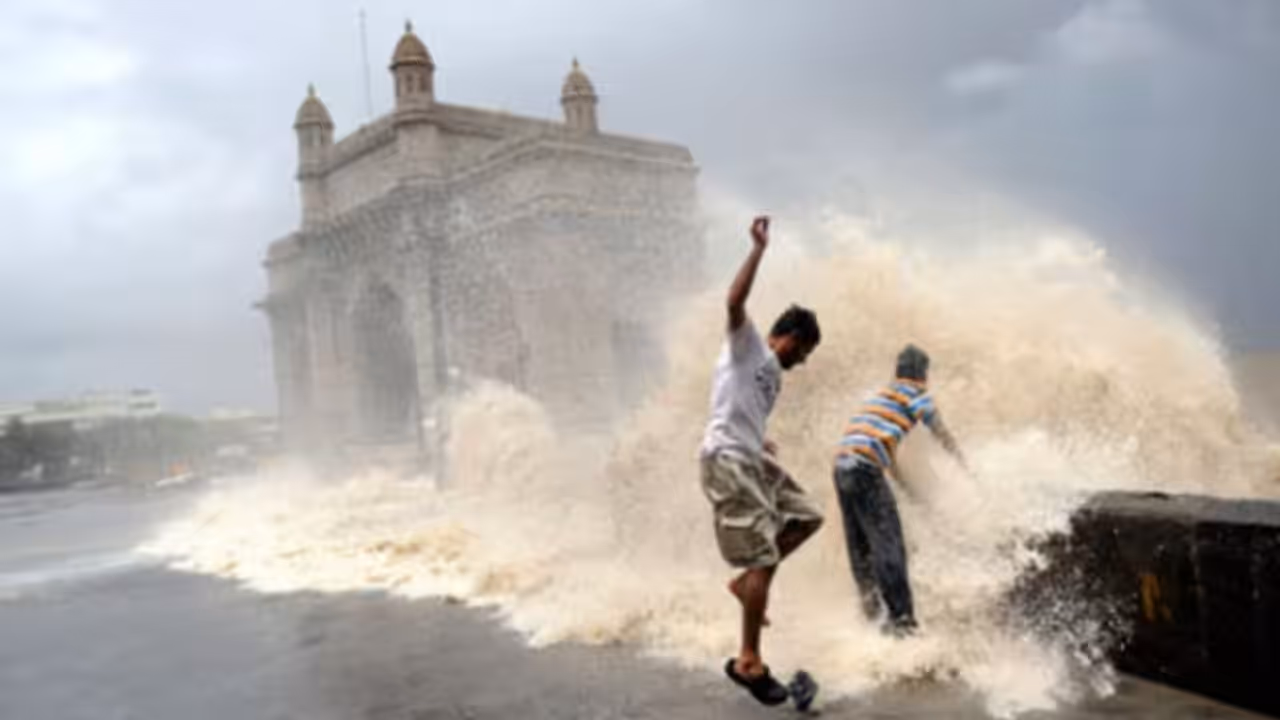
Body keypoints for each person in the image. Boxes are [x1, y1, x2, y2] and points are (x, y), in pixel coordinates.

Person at [699, 215, 824, 706]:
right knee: (763, 556)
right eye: (806, 350)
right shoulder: (747, 346)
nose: (805, 360)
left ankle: (744, 583)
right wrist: (758, 250)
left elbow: (738, 405)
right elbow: (733, 302)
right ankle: (748, 659)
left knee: (808, 516)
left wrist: (762, 438)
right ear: (789, 337)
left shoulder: (771, 375)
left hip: (751, 456)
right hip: (728, 461)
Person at [832, 344, 965, 635]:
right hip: (865, 467)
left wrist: (905, 488)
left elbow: (881, 446)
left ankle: (871, 616)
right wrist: (961, 461)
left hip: (842, 466)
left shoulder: (880, 396)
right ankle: (903, 623)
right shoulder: (915, 393)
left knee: (861, 547)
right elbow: (937, 428)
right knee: (889, 544)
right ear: (922, 374)